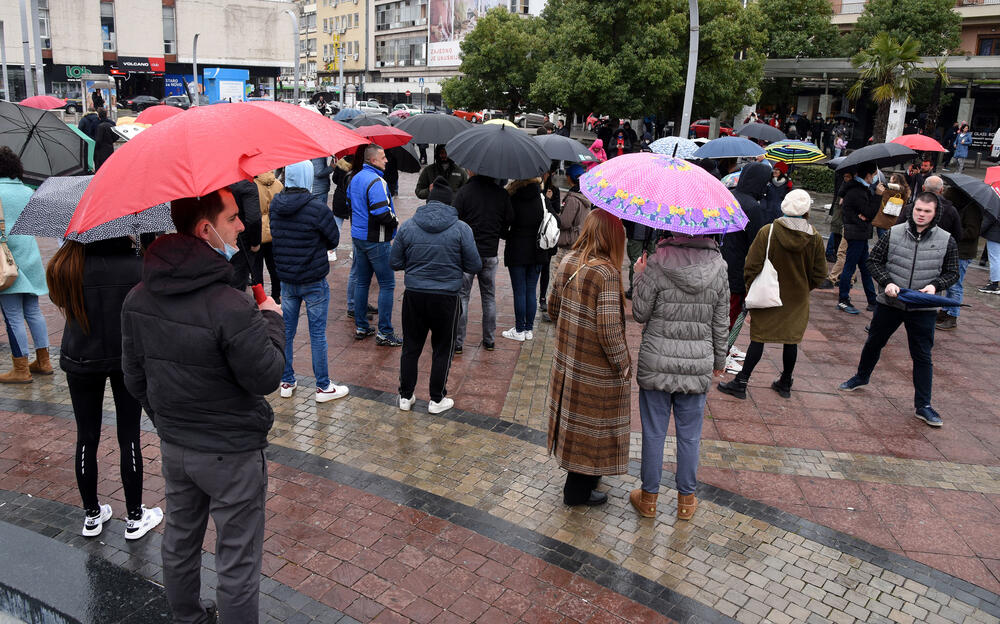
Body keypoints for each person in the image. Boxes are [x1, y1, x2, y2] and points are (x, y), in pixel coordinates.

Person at [121, 189, 285, 624]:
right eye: (233, 218)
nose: (242, 226)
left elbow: (134, 378)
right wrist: (270, 318)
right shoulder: (229, 304)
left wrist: (168, 422)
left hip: (178, 447)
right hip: (230, 452)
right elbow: (266, 376)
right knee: (237, 558)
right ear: (205, 230)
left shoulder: (138, 297)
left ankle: (188, 617)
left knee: (180, 537)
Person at [46, 237, 163, 539]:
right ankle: (135, 517)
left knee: (86, 437)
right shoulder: (137, 266)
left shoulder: (67, 266)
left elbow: (60, 302)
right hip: (126, 359)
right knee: (129, 436)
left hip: (80, 357)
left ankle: (91, 515)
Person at [630, 229, 729, 521]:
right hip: (697, 363)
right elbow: (720, 320)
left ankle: (649, 499)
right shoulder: (719, 267)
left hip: (657, 361)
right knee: (689, 437)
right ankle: (686, 501)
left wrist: (639, 275)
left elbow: (639, 313)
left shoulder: (658, 261)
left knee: (653, 432)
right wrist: (719, 361)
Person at [839, 193, 958, 428]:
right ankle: (861, 376)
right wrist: (887, 282)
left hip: (923, 306)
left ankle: (923, 405)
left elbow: (952, 272)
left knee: (922, 355)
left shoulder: (947, 240)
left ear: (935, 214)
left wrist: (935, 286)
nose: (921, 215)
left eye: (927, 211)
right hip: (890, 302)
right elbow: (873, 262)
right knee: (874, 341)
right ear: (912, 210)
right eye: (918, 210)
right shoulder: (894, 232)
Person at [546, 209, 631, 507]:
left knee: (575, 422)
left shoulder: (569, 260)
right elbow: (609, 331)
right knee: (589, 426)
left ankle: (582, 480)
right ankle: (578, 492)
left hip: (568, 360)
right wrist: (624, 365)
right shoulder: (605, 273)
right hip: (595, 368)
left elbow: (551, 308)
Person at [718, 190, 827, 400]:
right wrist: (804, 287)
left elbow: (751, 266)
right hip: (797, 299)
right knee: (791, 341)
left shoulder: (768, 231)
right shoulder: (813, 237)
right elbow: (820, 273)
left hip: (767, 294)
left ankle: (741, 382)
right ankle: (785, 382)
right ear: (806, 211)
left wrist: (751, 288)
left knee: (758, 339)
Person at [391, 177, 481, 414]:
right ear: (450, 203)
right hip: (447, 297)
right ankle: (436, 399)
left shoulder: (409, 226)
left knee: (411, 347)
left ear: (429, 202)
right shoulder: (462, 229)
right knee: (443, 348)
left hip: (415, 295)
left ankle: (405, 395)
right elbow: (474, 264)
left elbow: (395, 261)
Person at [269, 160, 349, 403]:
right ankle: (323, 386)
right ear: (307, 177)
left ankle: (286, 379)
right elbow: (333, 240)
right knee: (317, 334)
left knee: (288, 331)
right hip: (313, 279)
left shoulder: (275, 205)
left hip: (287, 278)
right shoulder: (316, 208)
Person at [0, 147, 50, 384]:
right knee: (33, 311)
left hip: (6, 261)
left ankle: (21, 368)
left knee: (13, 317)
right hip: (30, 256)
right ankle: (44, 360)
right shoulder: (27, 191)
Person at [454, 171, 513, 353]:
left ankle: (458, 342)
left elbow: (454, 218)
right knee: (488, 296)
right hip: (490, 252)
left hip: (467, 252)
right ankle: (489, 340)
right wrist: (498, 230)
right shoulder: (501, 193)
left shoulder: (464, 192)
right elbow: (510, 220)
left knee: (463, 295)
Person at [349, 144, 403, 346]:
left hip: (358, 237)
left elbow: (350, 205)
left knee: (362, 282)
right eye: (382, 157)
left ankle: (362, 326)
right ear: (372, 160)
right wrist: (395, 222)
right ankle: (385, 332)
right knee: (387, 284)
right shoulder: (377, 181)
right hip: (376, 240)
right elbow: (381, 212)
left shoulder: (355, 178)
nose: (386, 160)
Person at [720, 162, 770, 328]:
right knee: (730, 318)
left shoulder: (727, 196)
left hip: (717, 264)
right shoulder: (753, 207)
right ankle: (721, 351)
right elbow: (757, 244)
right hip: (737, 271)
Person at [501, 177, 547, 341]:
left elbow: (504, 225)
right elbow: (554, 219)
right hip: (537, 251)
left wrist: (509, 234)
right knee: (531, 290)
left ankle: (519, 330)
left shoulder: (512, 197)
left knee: (519, 291)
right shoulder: (541, 198)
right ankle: (528, 330)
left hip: (517, 251)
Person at [837, 162, 881, 315]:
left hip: (861, 232)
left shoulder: (861, 189)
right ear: (867, 175)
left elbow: (867, 215)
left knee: (865, 267)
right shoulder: (857, 191)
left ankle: (872, 300)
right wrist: (878, 196)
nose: (875, 178)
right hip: (856, 232)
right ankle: (843, 299)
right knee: (850, 266)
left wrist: (865, 217)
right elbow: (869, 212)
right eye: (874, 175)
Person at [936, 188, 982, 329]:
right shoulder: (960, 206)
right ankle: (945, 311)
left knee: (955, 285)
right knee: (949, 282)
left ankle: (953, 315)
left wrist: (955, 231)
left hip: (963, 252)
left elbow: (973, 231)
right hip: (955, 250)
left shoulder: (971, 209)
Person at [546, 164, 590, 307]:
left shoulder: (573, 198)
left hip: (568, 242)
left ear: (569, 177)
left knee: (559, 276)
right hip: (580, 241)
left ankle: (556, 307)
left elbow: (564, 222)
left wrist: (551, 208)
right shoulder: (586, 195)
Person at [252, 170, 283, 302]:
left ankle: (261, 299)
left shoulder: (252, 185)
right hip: (275, 230)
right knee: (275, 267)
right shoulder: (278, 184)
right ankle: (277, 296)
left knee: (256, 270)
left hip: (258, 232)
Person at [226, 179, 261, 291]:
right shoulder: (247, 185)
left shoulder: (215, 182)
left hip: (218, 236)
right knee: (238, 282)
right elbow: (253, 219)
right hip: (241, 240)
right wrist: (255, 242)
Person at [538, 164, 561, 317]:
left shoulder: (555, 190)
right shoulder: (535, 189)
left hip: (547, 237)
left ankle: (542, 297)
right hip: (536, 235)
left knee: (545, 268)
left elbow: (556, 214)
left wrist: (548, 200)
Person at [978, 208, 1000, 295]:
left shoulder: (996, 203)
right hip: (996, 233)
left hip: (995, 234)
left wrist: (979, 231)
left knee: (995, 258)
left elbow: (990, 219)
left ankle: (994, 284)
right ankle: (994, 281)